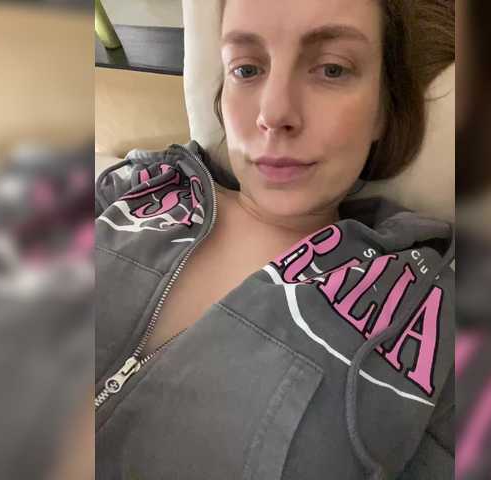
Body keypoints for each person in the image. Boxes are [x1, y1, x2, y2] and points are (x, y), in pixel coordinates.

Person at [95, 0, 454, 478]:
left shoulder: (423, 306)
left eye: (332, 69)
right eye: (246, 69)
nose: (274, 112)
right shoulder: (141, 185)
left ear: (382, 112)